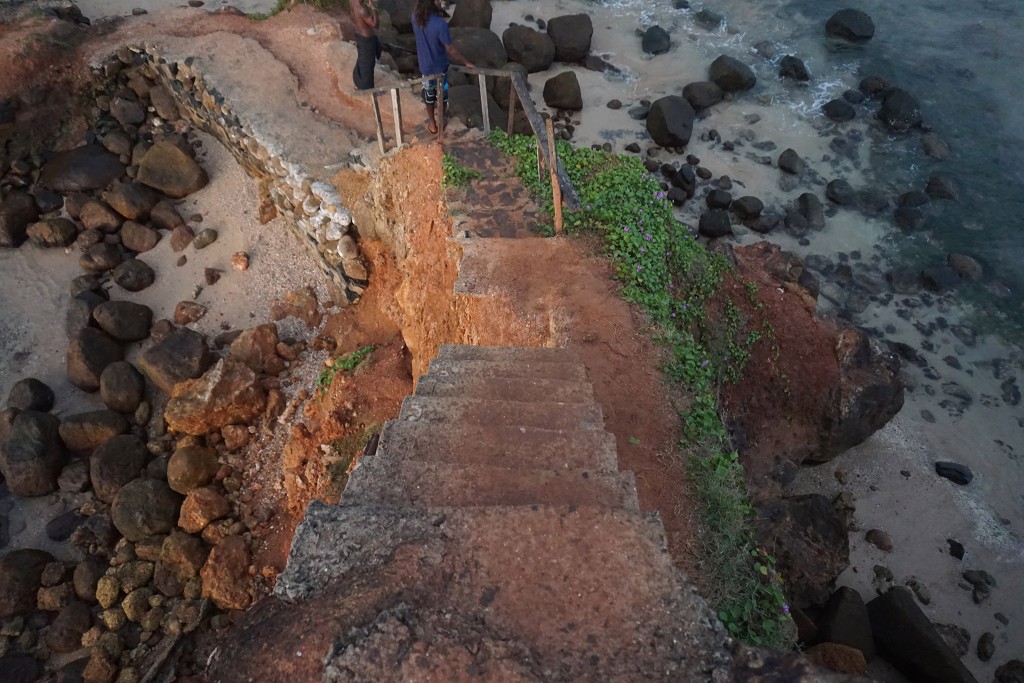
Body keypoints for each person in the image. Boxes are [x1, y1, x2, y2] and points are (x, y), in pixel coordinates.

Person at [411, 0, 474, 134]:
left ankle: (432, 124)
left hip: (425, 68)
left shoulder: (415, 18)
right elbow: (450, 49)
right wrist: (465, 62)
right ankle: (441, 120)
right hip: (440, 68)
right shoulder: (440, 24)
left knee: (429, 95)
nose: (441, 1)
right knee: (442, 94)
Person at [351, 0, 382, 90]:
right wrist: (373, 8)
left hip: (359, 35)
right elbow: (375, 25)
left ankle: (358, 82)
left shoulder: (352, 2)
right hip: (367, 39)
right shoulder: (362, 9)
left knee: (362, 60)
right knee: (368, 64)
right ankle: (368, 89)